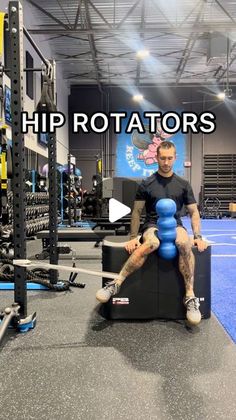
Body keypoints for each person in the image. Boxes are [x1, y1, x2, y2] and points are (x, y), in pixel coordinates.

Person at [96, 141, 208, 325]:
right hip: (152, 225)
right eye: (162, 158)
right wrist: (133, 238)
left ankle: (190, 296)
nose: (166, 162)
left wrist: (197, 237)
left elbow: (194, 212)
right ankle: (115, 283)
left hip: (175, 225)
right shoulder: (147, 183)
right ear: (156, 157)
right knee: (152, 243)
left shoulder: (183, 184)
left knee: (183, 243)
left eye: (169, 158)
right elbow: (137, 212)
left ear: (175, 158)